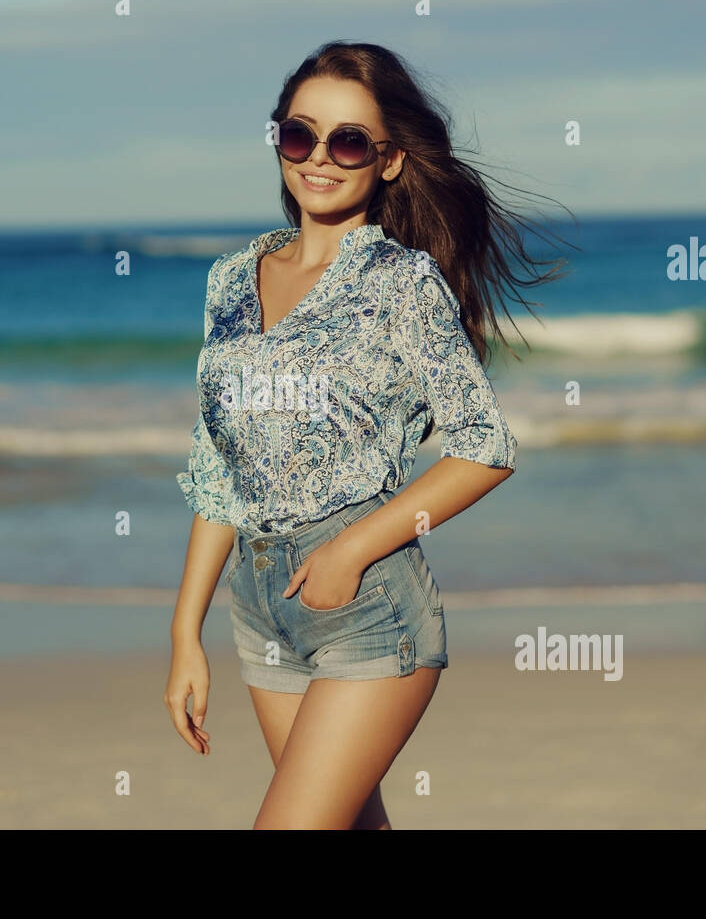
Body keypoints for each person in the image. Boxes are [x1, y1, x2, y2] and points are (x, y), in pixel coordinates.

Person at [165, 40, 570, 829]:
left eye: (348, 140)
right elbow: (218, 464)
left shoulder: (400, 284)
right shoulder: (228, 279)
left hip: (367, 604)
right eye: (298, 133)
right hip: (261, 608)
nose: (319, 157)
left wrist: (349, 551)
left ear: (386, 161)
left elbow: (485, 445)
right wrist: (186, 632)